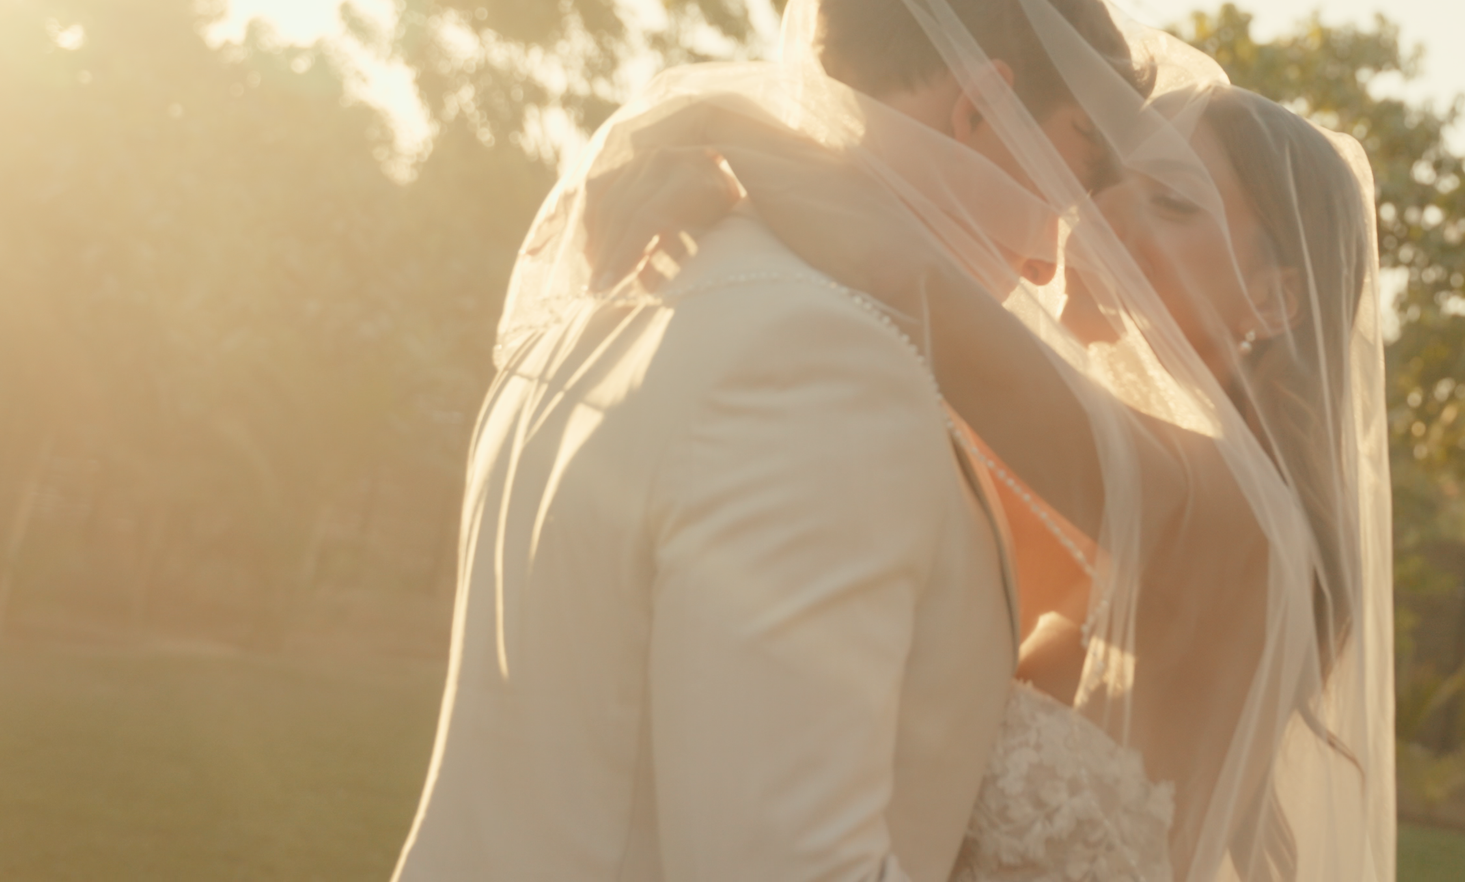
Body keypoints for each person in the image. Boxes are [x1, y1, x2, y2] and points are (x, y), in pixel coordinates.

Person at [392, 0, 1150, 882]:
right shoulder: (828, 367)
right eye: (1071, 175)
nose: (1052, 257)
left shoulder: (611, 304)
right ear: (983, 105)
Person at [591, 53, 1397, 881]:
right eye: (1107, 179)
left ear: (1273, 299)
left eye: (1171, 200)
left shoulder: (1236, 513)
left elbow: (901, 275)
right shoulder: (1116, 508)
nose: (1098, 212)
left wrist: (711, 117)